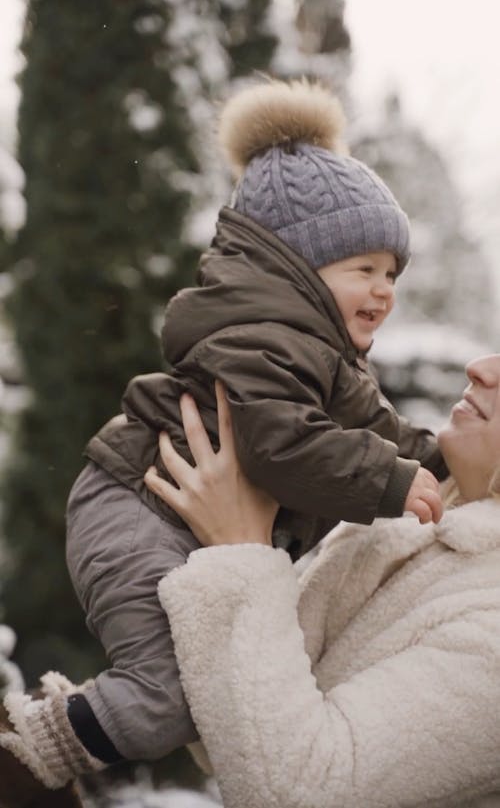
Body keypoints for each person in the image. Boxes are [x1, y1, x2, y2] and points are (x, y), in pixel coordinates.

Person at [0, 79, 447, 803]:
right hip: (139, 509)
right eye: (363, 268)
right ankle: (27, 749)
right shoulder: (264, 340)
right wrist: (391, 481)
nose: (385, 288)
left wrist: (440, 460)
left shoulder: (323, 356)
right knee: (169, 700)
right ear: (296, 269)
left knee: (200, 691)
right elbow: (281, 445)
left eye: (392, 272)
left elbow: (381, 430)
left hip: (173, 517)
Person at [148, 358, 500, 808]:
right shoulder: (408, 528)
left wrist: (237, 545)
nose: (479, 369)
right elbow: (226, 731)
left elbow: (298, 792)